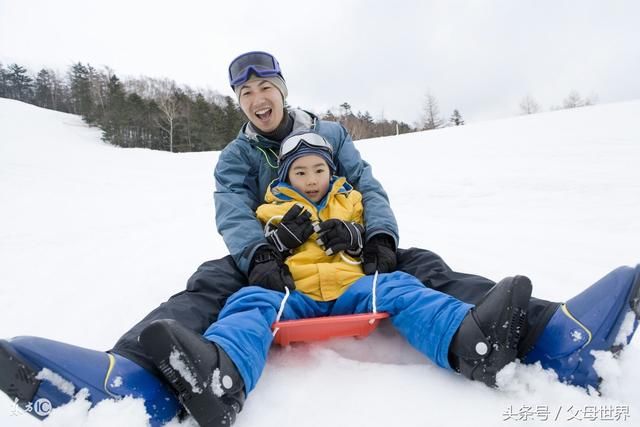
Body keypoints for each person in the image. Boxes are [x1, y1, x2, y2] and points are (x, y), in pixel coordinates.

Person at [1, 51, 639, 426]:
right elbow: (231, 209)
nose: (257, 99)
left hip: (350, 245)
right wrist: (259, 255)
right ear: (239, 100)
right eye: (245, 92)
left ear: (282, 91)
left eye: (265, 88)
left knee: (423, 268)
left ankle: (554, 336)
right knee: (209, 284)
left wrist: (378, 237)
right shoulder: (236, 156)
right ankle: (132, 380)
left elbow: (368, 184)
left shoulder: (331, 136)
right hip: (271, 260)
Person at [137, 131, 533, 426]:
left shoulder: (351, 201)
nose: (311, 179)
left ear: (331, 170)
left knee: (398, 287)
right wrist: (275, 244)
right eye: (300, 171)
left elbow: (368, 233)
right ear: (287, 177)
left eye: (319, 169)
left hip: (352, 287)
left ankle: (469, 342)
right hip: (295, 292)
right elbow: (258, 244)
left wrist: (357, 236)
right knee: (249, 302)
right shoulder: (272, 207)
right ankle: (223, 375)